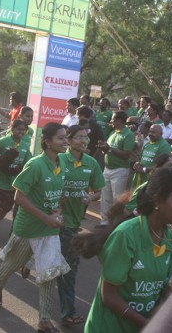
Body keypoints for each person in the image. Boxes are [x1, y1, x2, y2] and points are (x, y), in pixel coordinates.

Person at [78, 168, 172, 333]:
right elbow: (109, 296)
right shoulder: (126, 235)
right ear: (158, 200)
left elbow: (165, 288)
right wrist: (147, 323)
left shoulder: (168, 237)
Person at [0, 123, 69, 333]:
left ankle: (44, 320)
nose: (65, 141)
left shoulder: (62, 165)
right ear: (48, 141)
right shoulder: (35, 165)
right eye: (60, 138)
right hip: (29, 228)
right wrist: (45, 217)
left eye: (66, 137)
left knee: (48, 276)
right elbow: (19, 196)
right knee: (11, 266)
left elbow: (58, 197)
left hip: (50, 230)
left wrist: (57, 213)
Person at [57, 125, 105, 327]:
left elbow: (98, 192)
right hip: (52, 220)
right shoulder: (58, 160)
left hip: (73, 223)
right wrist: (58, 196)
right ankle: (68, 312)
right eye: (79, 137)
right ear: (69, 140)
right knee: (67, 266)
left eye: (86, 137)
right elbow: (46, 184)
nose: (84, 141)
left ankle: (66, 311)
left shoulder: (91, 163)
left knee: (68, 266)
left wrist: (90, 197)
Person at [96, 111, 135, 226]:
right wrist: (104, 148)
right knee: (105, 198)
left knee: (117, 200)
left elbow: (127, 154)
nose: (111, 121)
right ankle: (104, 223)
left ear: (119, 121)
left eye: (113, 119)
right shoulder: (113, 132)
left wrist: (109, 149)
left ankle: (114, 224)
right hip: (107, 169)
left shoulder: (128, 134)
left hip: (120, 170)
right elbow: (108, 149)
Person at [131, 124, 171, 189]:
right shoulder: (148, 144)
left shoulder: (164, 145)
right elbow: (141, 159)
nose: (150, 134)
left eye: (153, 132)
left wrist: (146, 169)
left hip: (154, 180)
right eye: (150, 131)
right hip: (141, 179)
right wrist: (138, 163)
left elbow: (165, 165)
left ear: (161, 134)